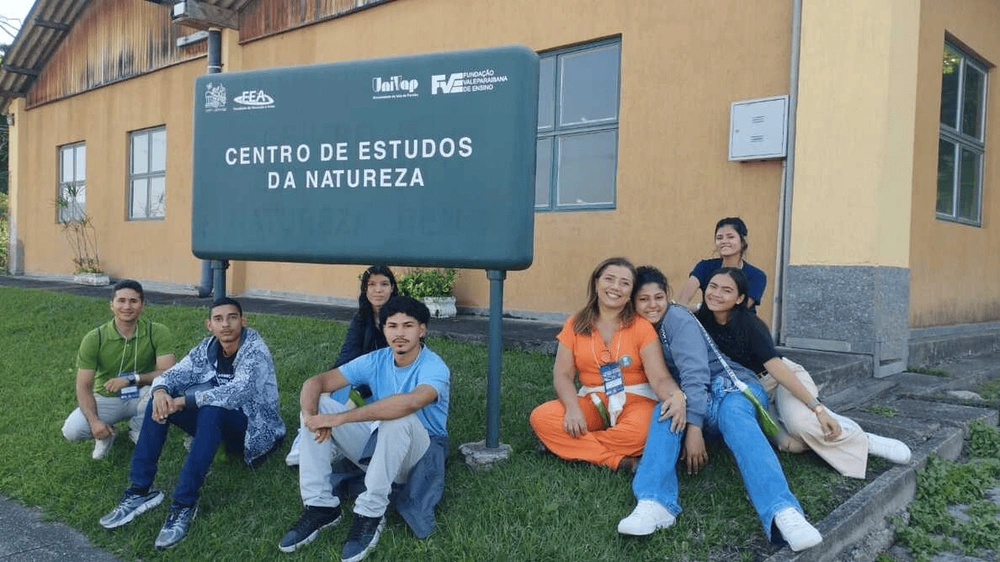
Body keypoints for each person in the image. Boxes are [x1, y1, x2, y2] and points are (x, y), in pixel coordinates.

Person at [618, 266, 823, 552]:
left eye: (659, 297)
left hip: (731, 387)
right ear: (633, 302)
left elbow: (696, 374)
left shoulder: (676, 319)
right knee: (664, 413)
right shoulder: (639, 327)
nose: (652, 305)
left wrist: (694, 429)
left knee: (734, 416)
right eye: (643, 299)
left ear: (668, 296)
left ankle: (783, 512)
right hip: (693, 396)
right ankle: (654, 503)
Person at [98, 297, 285, 551]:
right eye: (218, 319)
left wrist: (185, 401)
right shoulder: (207, 347)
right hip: (215, 423)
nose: (226, 324)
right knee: (159, 404)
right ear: (209, 325)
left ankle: (183, 504)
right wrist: (161, 391)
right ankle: (139, 490)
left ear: (243, 320)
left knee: (211, 409)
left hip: (253, 430)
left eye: (232, 318)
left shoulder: (255, 350)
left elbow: (238, 391)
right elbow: (174, 373)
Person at [695, 267, 911, 478]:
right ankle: (825, 423)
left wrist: (817, 408)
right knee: (791, 445)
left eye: (726, 290)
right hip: (752, 391)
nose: (716, 294)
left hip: (781, 380)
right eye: (713, 286)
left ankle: (862, 439)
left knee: (801, 427)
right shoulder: (700, 320)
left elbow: (777, 369)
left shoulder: (750, 325)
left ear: (740, 298)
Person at [279, 296, 450, 562]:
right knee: (320, 405)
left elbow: (411, 402)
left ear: (422, 330)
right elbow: (316, 382)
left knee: (399, 417)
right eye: (392, 326)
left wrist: (342, 418)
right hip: (379, 440)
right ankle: (320, 506)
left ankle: (370, 512)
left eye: (408, 325)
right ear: (384, 329)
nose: (400, 333)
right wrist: (312, 418)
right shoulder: (377, 359)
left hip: (419, 454)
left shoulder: (434, 366)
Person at [529, 257, 686, 472]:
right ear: (596, 283)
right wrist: (573, 409)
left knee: (642, 432)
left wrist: (676, 396)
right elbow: (562, 374)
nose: (615, 287)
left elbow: (659, 378)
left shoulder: (641, 327)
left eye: (624, 283)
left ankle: (567, 445)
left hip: (636, 401)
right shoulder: (574, 324)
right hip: (592, 401)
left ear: (630, 293)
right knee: (542, 417)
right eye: (609, 279)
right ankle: (620, 462)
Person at [285, 264, 398, 466]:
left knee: (351, 397)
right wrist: (330, 384)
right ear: (365, 290)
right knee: (325, 390)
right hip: (359, 377)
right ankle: (307, 436)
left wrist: (359, 392)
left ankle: (335, 441)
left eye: (384, 284)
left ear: (392, 288)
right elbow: (347, 356)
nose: (378, 290)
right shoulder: (361, 318)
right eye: (372, 285)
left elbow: (394, 367)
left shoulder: (401, 319)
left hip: (387, 386)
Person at [62, 279, 175, 459]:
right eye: (121, 301)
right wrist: (94, 422)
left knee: (164, 391)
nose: (127, 306)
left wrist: (132, 379)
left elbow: (168, 374)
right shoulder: (95, 338)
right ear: (111, 305)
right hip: (107, 397)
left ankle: (139, 429)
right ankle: (106, 434)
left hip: (142, 394)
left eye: (133, 301)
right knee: (72, 430)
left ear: (142, 305)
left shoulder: (157, 332)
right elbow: (83, 386)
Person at [676, 217, 767, 313]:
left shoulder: (756, 275)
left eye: (730, 237)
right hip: (705, 321)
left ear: (743, 240)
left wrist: (698, 307)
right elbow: (681, 303)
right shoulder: (704, 266)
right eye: (719, 238)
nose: (724, 241)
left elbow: (739, 309)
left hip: (740, 322)